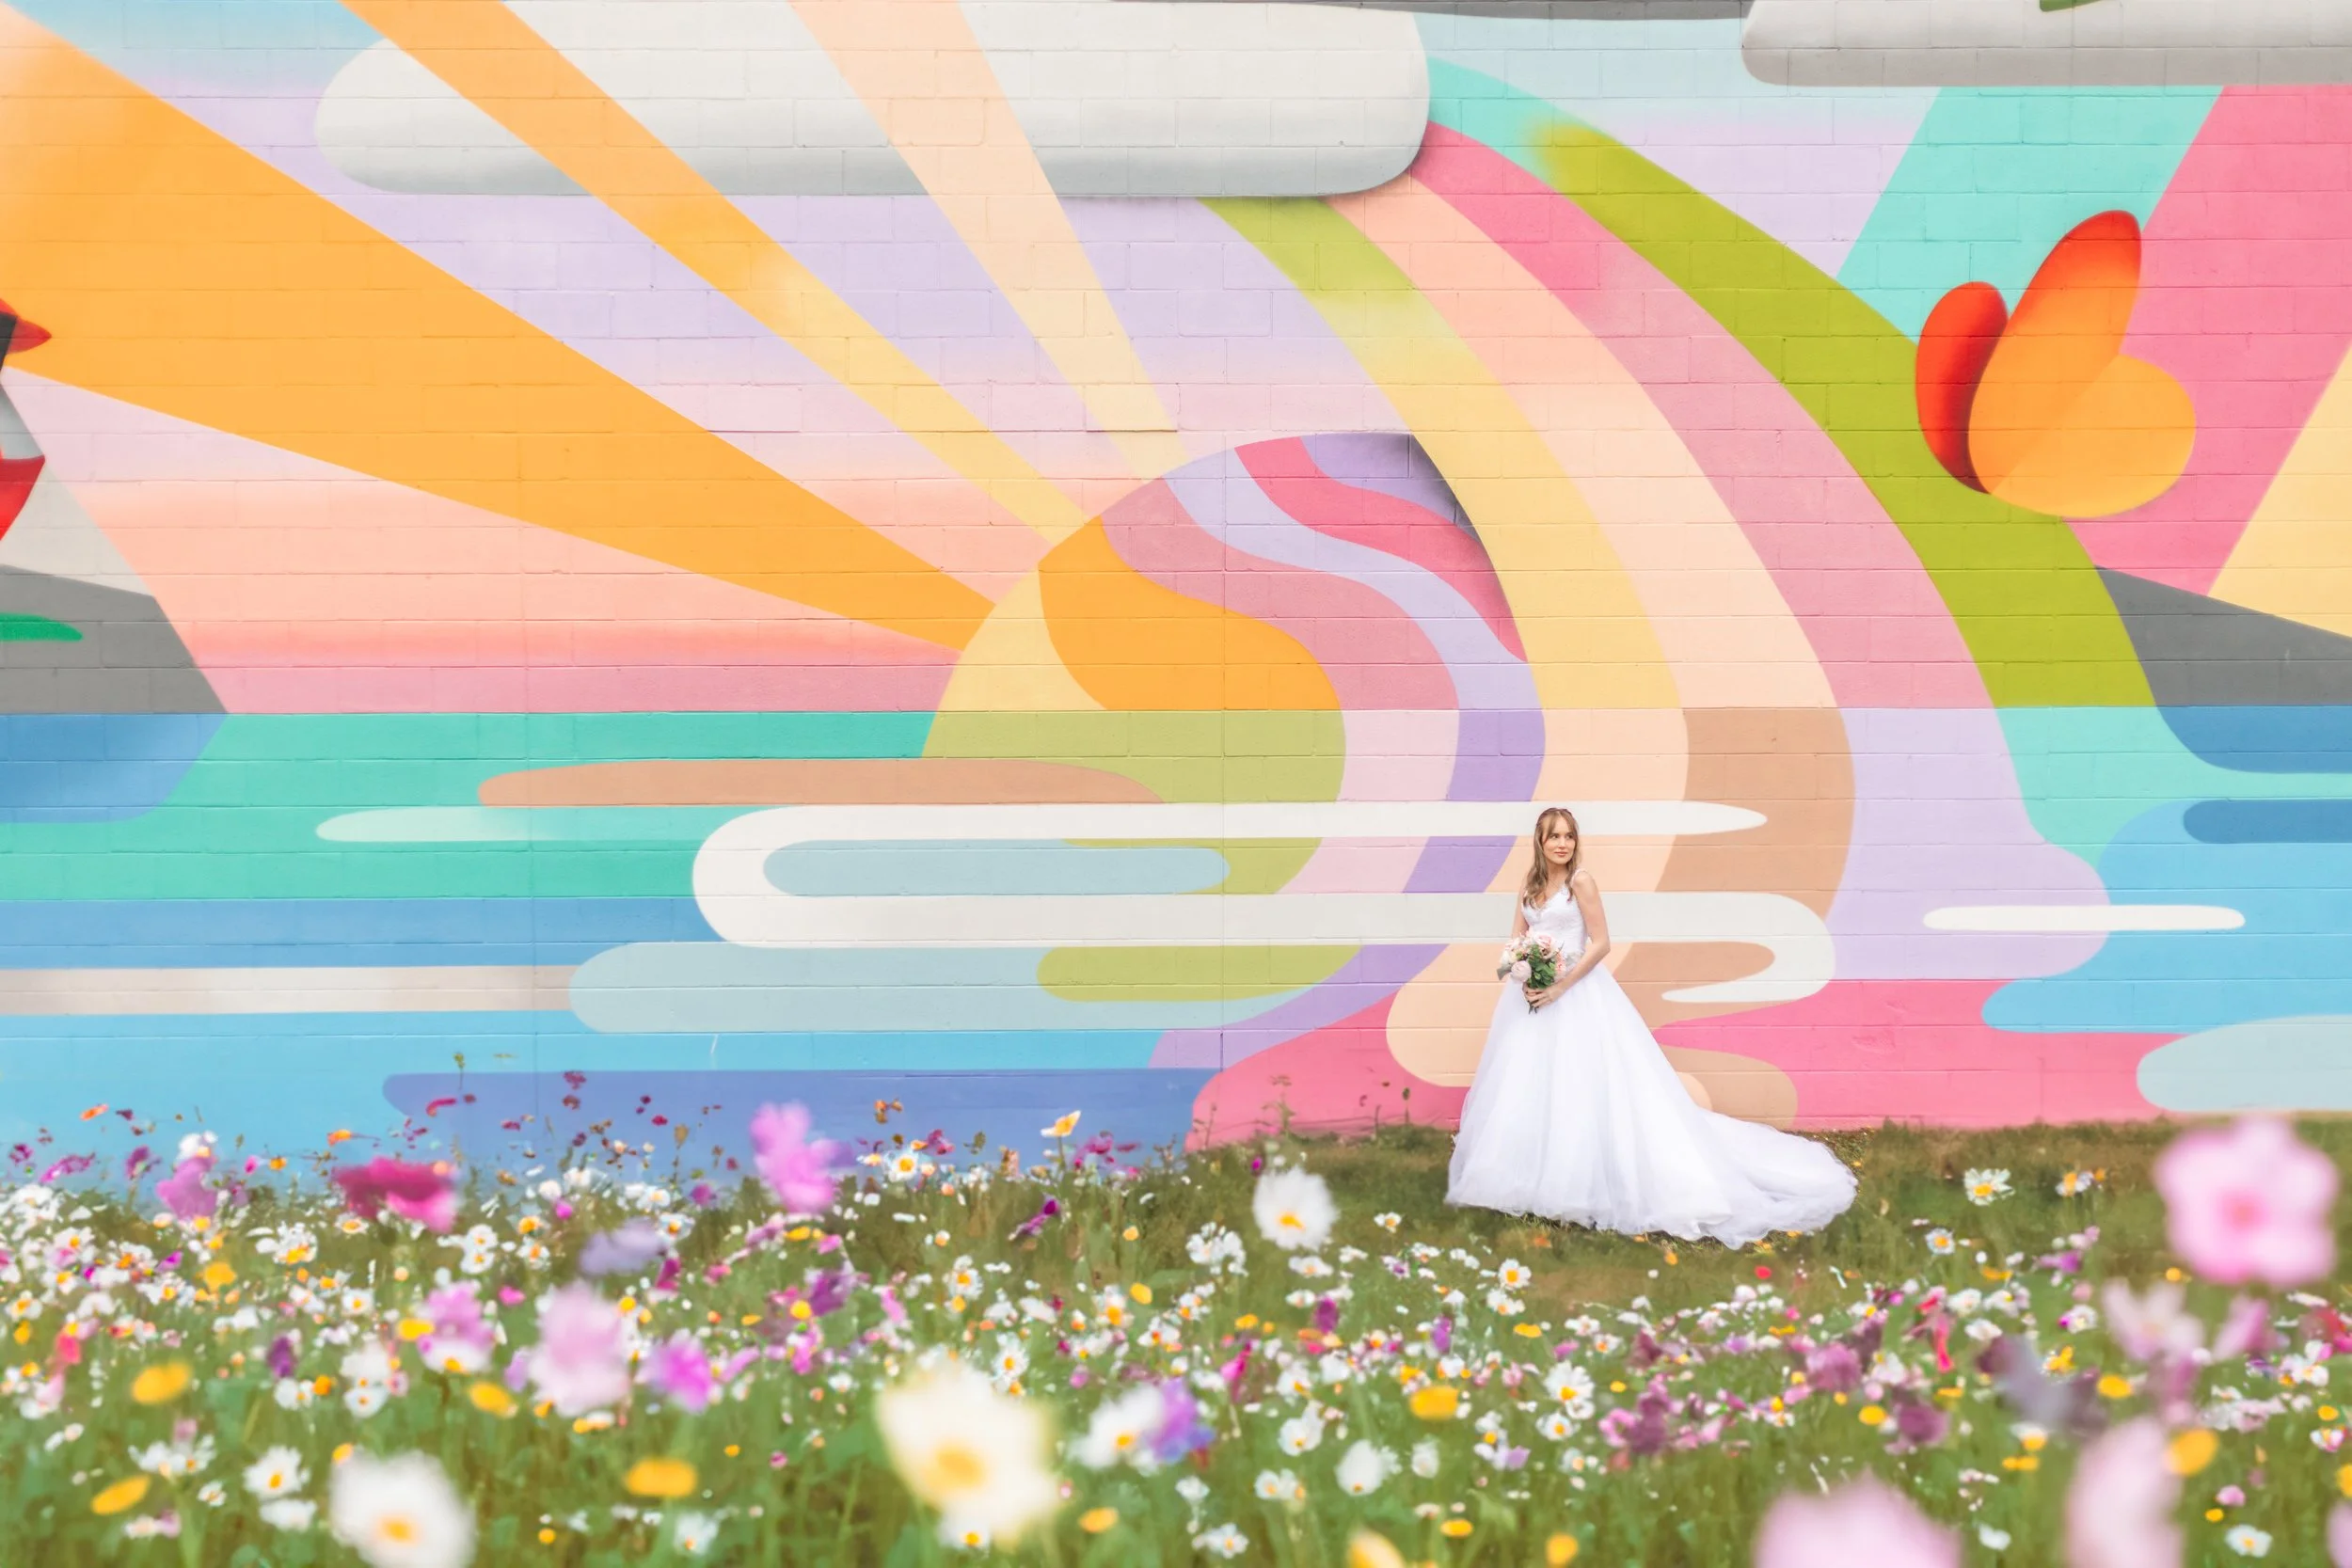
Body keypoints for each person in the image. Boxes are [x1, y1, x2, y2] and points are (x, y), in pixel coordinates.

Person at [1445, 806, 1856, 1245]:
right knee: (1532, 1084)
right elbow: (1517, 938)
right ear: (1539, 843)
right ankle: (1529, 1173)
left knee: (1586, 1084)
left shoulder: (1580, 883)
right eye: (1553, 837)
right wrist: (1520, 968)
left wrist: (1560, 985)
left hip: (1577, 993)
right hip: (1533, 997)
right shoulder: (1529, 887)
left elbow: (1601, 943)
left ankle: (1590, 1178)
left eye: (1568, 836)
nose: (1562, 844)